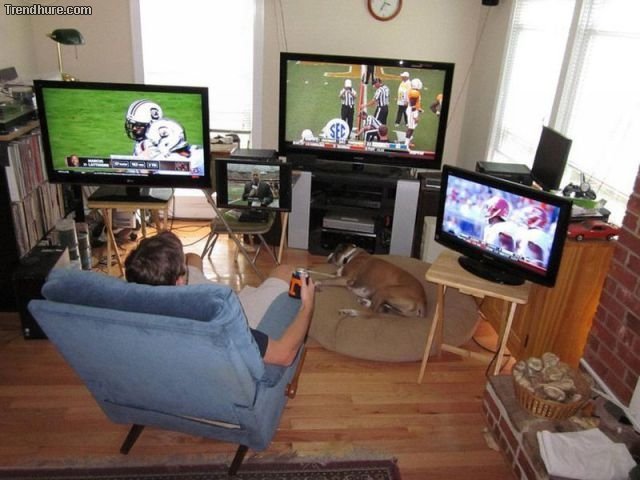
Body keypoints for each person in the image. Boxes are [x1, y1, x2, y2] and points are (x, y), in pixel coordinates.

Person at [124, 231, 316, 367]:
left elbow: (190, 259)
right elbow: (284, 355)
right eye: (183, 271)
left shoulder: (127, 309)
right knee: (285, 271)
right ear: (180, 282)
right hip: (244, 320)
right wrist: (308, 305)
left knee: (193, 259)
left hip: (188, 305)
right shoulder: (220, 317)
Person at [405, 78, 424, 149]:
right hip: (412, 111)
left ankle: (408, 142)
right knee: (411, 128)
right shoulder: (414, 92)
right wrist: (415, 116)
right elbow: (412, 105)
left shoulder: (413, 91)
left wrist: (419, 109)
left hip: (412, 110)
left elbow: (414, 103)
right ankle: (406, 145)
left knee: (412, 127)